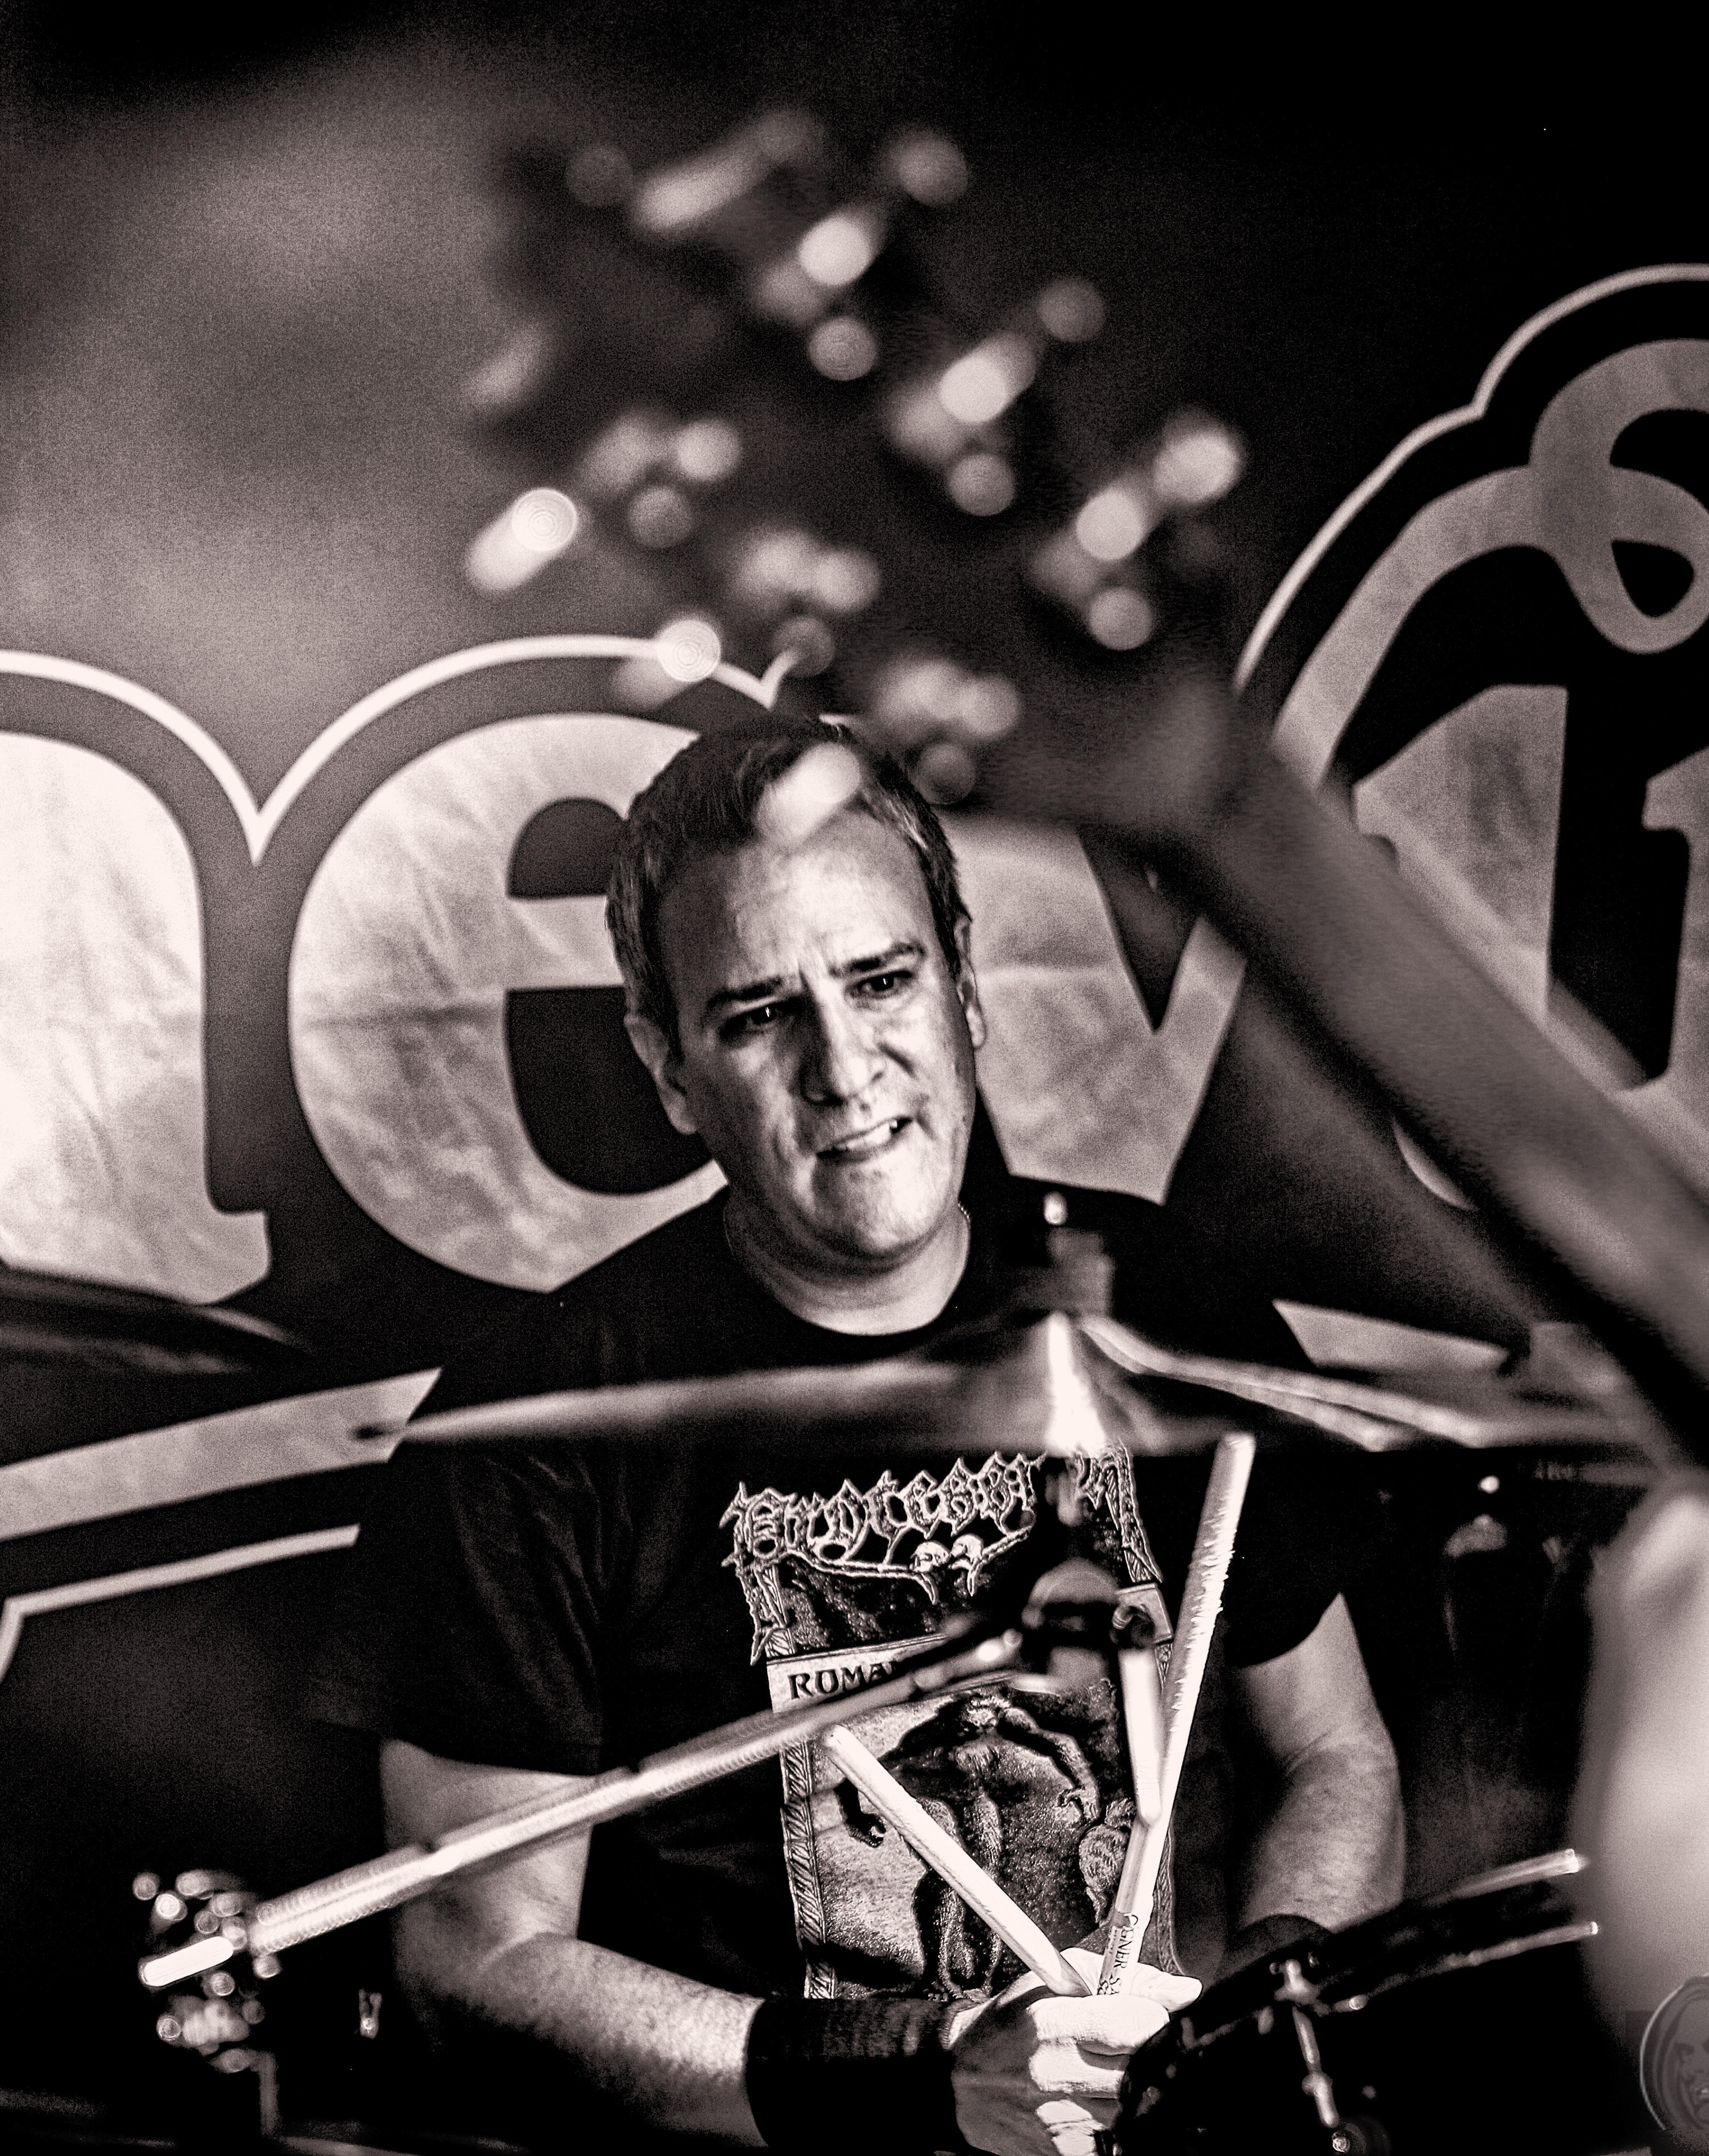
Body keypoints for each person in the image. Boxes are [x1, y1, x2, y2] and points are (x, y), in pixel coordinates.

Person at [312, 721, 1403, 2155]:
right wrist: (914, 2077)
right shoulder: (534, 1430)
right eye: (759, 1015)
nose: (842, 1066)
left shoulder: (1163, 1309)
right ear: (668, 1069)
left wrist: (1245, 2040)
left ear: (965, 984)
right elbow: (478, 1962)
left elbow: (1335, 1757)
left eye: (882, 979)